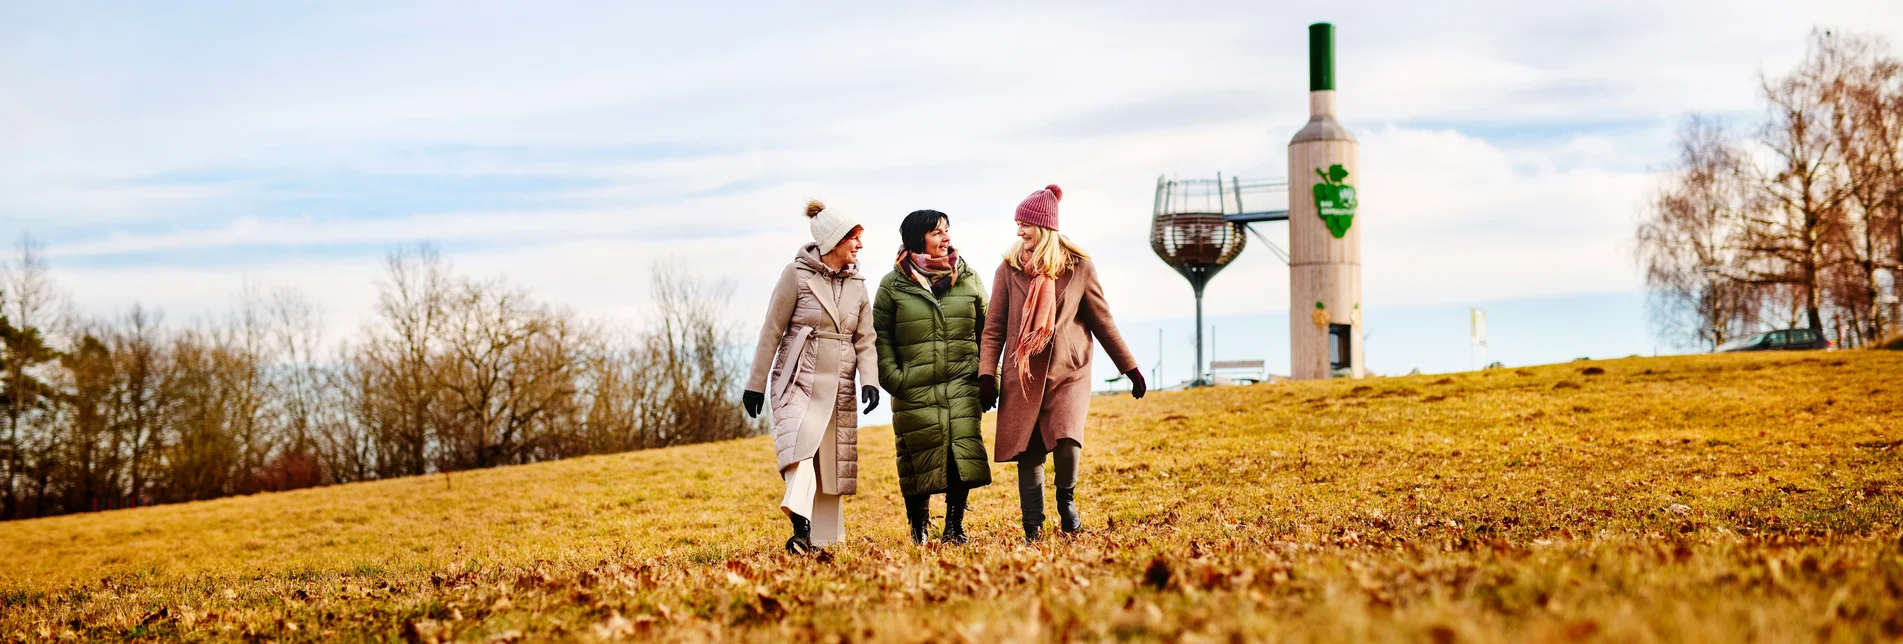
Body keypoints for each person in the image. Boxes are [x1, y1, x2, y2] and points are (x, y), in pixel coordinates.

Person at [978, 184, 1146, 543]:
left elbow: (1103, 320)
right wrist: (986, 376)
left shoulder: (1079, 267)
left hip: (1069, 370)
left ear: (1044, 227)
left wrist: (1130, 368)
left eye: (1025, 224)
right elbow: (993, 329)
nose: (1019, 231)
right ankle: (1033, 526)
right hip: (1022, 374)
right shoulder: (1007, 270)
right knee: (1029, 452)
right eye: (1017, 224)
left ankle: (1066, 501)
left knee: (1068, 438)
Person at [743, 199, 881, 554]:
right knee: (799, 449)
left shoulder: (859, 285)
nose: (860, 246)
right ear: (834, 240)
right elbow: (771, 329)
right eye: (854, 238)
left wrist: (869, 380)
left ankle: (820, 540)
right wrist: (754, 385)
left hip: (839, 383)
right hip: (797, 377)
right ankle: (800, 524)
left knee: (831, 462)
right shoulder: (795, 275)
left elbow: (866, 340)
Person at [872, 209, 990, 545]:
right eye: (937, 232)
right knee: (916, 461)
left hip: (962, 385)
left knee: (960, 456)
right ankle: (919, 528)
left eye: (947, 230)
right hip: (914, 387)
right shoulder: (892, 285)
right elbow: (880, 337)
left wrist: (987, 377)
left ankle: (954, 527)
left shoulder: (968, 278)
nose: (946, 237)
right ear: (916, 240)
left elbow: (991, 332)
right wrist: (895, 379)